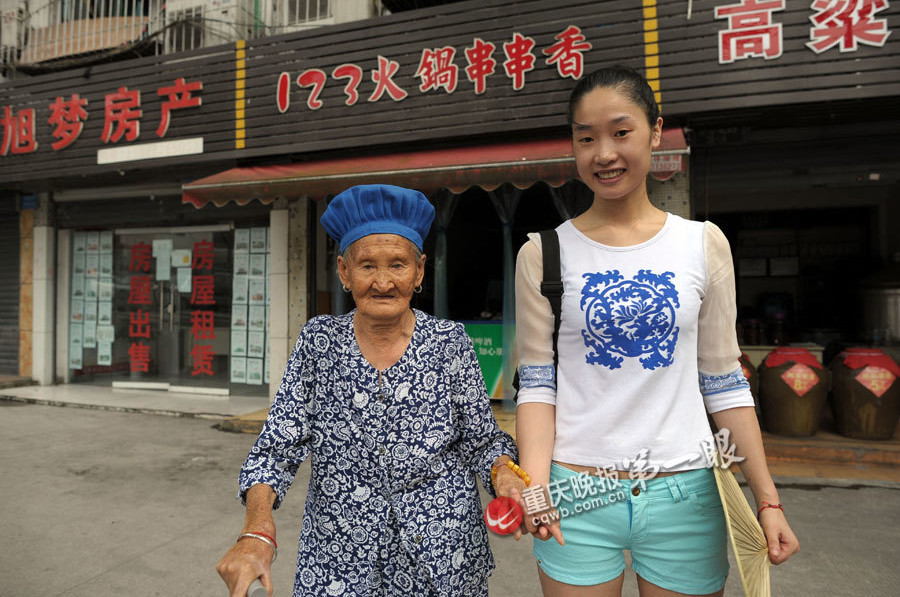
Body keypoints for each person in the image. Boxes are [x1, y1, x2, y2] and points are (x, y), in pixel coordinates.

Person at [508, 67, 799, 596]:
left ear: (655, 131)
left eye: (621, 132)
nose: (604, 154)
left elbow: (724, 381)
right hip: (575, 493)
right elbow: (536, 383)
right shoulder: (542, 253)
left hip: (686, 494)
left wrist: (767, 499)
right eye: (586, 138)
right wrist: (535, 488)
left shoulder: (703, 245)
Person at [216, 184, 523, 597]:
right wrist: (257, 530)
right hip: (339, 562)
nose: (382, 282)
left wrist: (505, 474)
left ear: (419, 271)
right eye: (366, 266)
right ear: (344, 272)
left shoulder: (451, 342)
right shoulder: (319, 342)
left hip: (443, 559)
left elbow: (482, 441)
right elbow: (276, 448)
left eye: (398, 265)